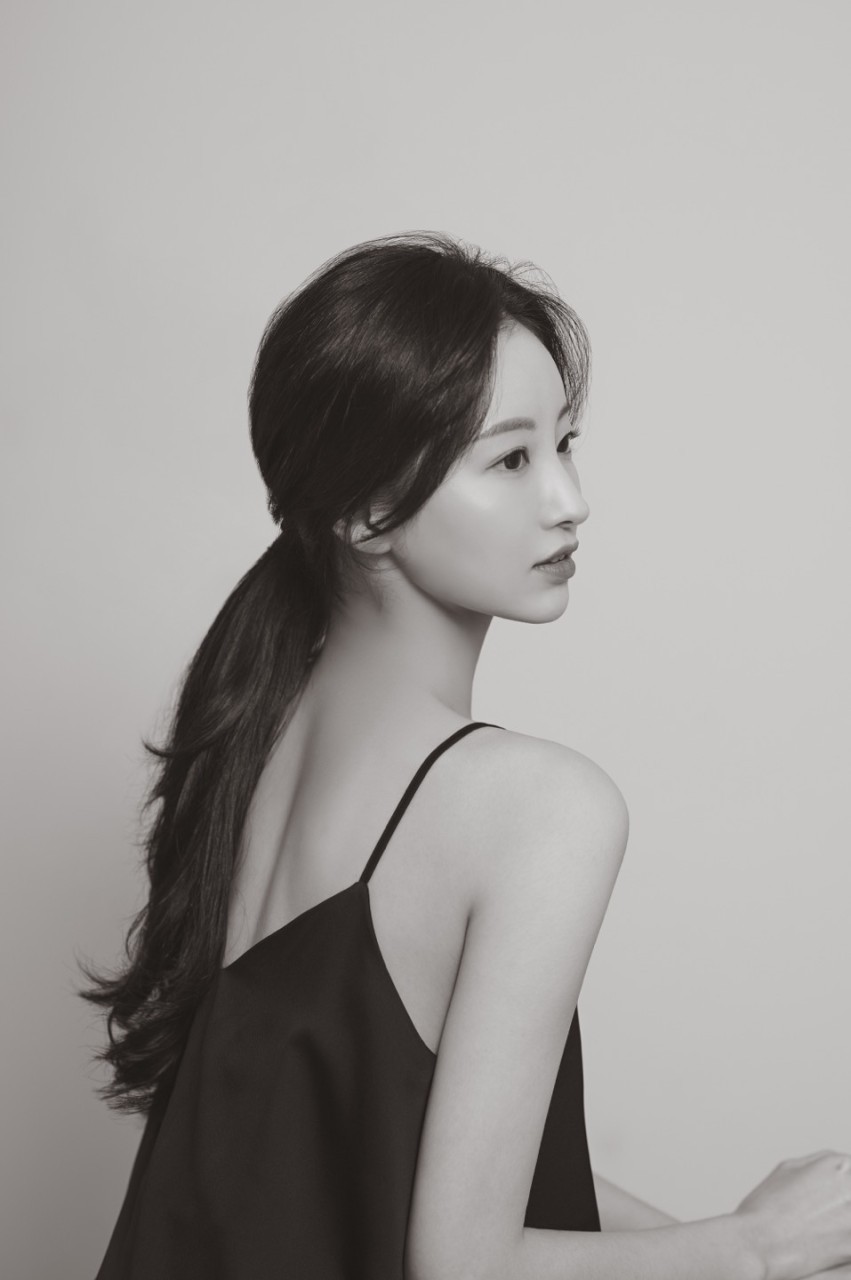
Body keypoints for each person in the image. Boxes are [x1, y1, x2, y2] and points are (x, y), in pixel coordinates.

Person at [82, 231, 851, 1279]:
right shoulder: (535, 808)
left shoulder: (248, 738)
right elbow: (462, 1261)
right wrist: (756, 1248)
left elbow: (398, 1151)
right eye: (510, 459)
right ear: (367, 511)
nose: (569, 499)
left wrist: (707, 1238)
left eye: (565, 444)